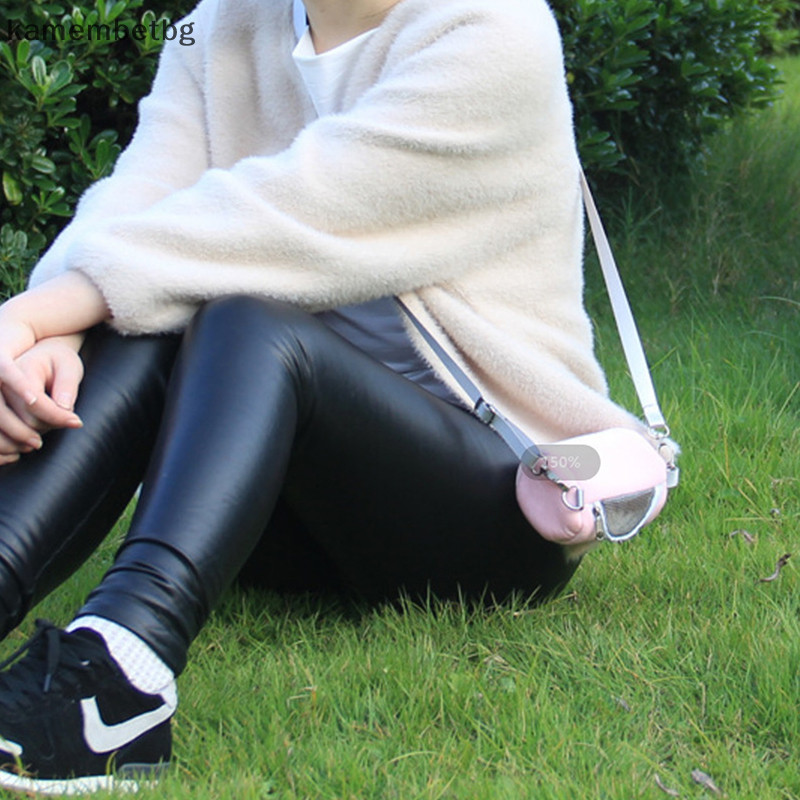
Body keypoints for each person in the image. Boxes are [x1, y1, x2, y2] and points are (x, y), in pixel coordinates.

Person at [0, 0, 647, 793]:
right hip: (278, 509)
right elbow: (139, 196)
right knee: (139, 316)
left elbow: (291, 213)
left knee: (240, 318)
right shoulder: (220, 23)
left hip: (494, 507)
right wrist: (54, 335)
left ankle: (122, 681)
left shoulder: (493, 32)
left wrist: (35, 315)